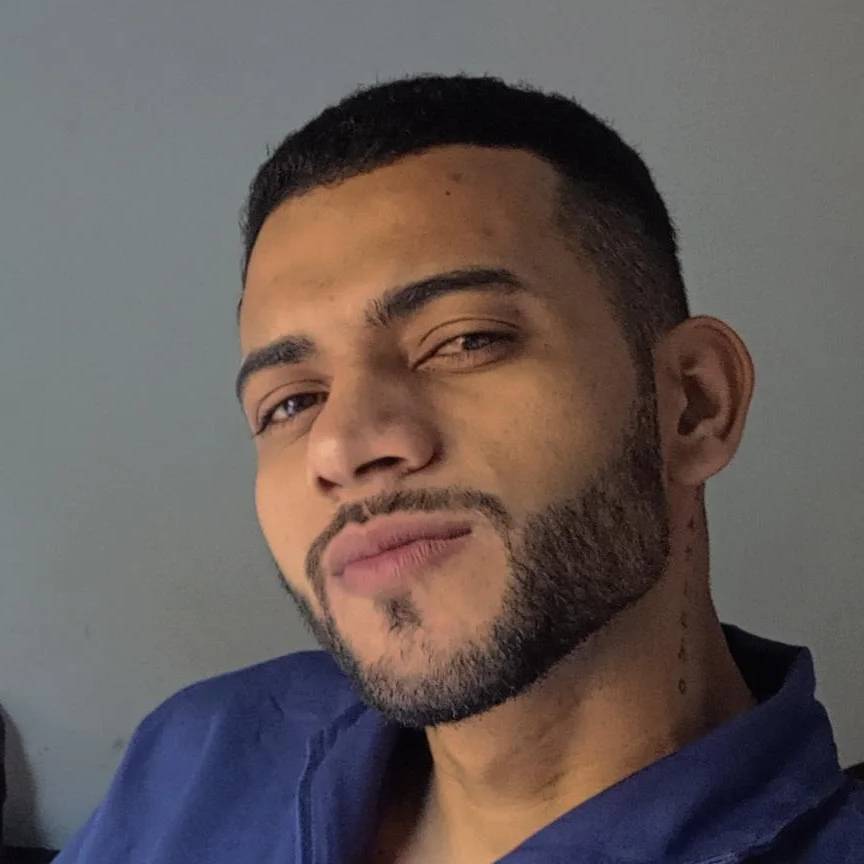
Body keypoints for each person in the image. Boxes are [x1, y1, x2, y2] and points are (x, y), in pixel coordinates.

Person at [55, 73, 863, 863]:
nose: (341, 447)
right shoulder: (196, 755)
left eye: (464, 340)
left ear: (693, 403)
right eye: (290, 403)